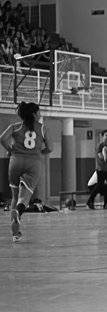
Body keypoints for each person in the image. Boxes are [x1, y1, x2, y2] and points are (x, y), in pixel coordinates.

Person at [0, 102, 52, 242]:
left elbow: (2, 139)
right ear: (34, 114)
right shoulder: (43, 128)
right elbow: (50, 148)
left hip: (15, 161)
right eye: (39, 112)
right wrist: (39, 152)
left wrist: (10, 150)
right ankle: (18, 212)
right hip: (33, 163)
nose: (40, 114)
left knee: (15, 197)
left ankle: (15, 233)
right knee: (24, 199)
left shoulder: (14, 127)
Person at [86, 129, 107, 210]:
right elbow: (101, 156)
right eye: (106, 135)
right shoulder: (100, 146)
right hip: (101, 169)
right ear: (102, 136)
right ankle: (90, 201)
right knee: (100, 184)